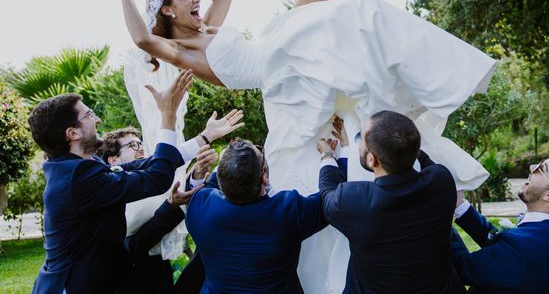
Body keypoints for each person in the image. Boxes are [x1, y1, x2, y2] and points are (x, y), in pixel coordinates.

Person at [113, 0, 496, 292]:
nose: (196, 1)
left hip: (283, 48)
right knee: (356, 9)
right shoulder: (183, 50)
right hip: (283, 77)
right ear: (167, 10)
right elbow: (144, 40)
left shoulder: (208, 25)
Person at [28, 70, 192, 294]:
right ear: (72, 133)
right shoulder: (78, 178)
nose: (97, 119)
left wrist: (203, 140)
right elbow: (157, 179)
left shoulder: (76, 168)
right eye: (89, 115)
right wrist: (168, 115)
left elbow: (142, 166)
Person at [318, 112, 465, 294]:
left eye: (360, 140)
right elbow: (421, 157)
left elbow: (327, 193)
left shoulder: (352, 201)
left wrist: (327, 155)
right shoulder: (441, 181)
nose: (359, 145)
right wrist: (355, 145)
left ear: (372, 159)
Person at [185, 137, 331, 293]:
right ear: (264, 177)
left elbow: (206, 188)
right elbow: (330, 201)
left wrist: (229, 163)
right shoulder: (288, 212)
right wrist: (328, 157)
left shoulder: (200, 208)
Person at [450, 154, 549, 293]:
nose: (532, 167)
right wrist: (460, 205)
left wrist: (440, 217)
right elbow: (499, 248)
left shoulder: (523, 247)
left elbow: (461, 267)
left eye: (541, 169)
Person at [99, 130, 218, 294]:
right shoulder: (107, 197)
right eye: (132, 145)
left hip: (161, 278)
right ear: (114, 160)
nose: (140, 148)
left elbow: (178, 193)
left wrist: (198, 171)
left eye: (140, 143)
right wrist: (170, 205)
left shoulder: (151, 184)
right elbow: (131, 246)